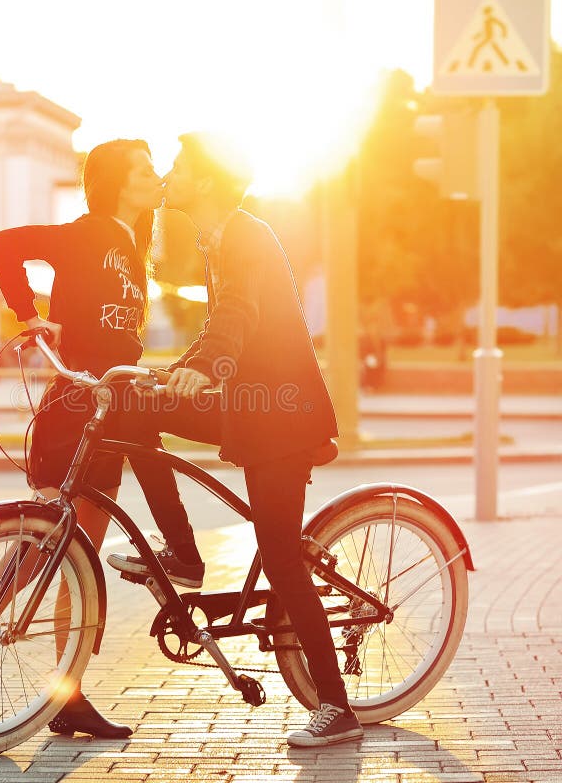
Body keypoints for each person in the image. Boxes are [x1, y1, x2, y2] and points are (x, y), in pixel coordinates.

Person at [107, 132, 363, 747]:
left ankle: (337, 707)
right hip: (248, 406)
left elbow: (238, 317)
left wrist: (207, 363)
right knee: (134, 408)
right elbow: (225, 325)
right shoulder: (216, 237)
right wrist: (177, 375)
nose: (169, 173)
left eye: (178, 165)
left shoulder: (245, 235)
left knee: (279, 555)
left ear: (208, 180)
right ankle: (184, 556)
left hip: (282, 416)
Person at [0, 139, 162, 739]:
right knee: (35, 556)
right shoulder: (85, 233)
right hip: (73, 413)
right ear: (117, 180)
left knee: (77, 566)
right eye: (144, 168)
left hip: (112, 414)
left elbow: (118, 337)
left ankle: (69, 694)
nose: (154, 176)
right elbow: (3, 246)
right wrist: (27, 314)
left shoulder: (134, 246)